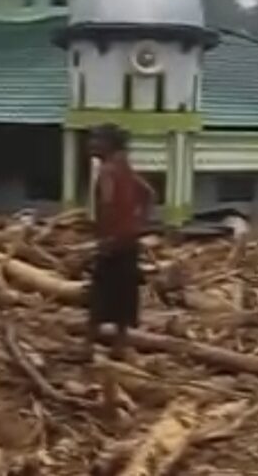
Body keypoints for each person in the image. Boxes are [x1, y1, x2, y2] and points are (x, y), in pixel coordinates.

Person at [85, 124, 153, 361]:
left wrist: (105, 237)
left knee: (99, 295)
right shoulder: (124, 167)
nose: (91, 144)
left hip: (111, 243)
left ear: (109, 143)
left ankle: (87, 348)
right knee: (125, 294)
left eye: (96, 139)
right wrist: (138, 224)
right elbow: (148, 193)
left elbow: (106, 202)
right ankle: (119, 347)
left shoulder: (107, 170)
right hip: (128, 241)